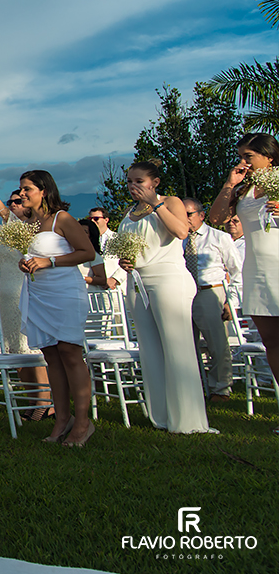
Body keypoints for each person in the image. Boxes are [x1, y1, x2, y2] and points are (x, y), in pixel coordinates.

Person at [117, 159, 213, 434]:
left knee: (177, 348)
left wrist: (155, 204)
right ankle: (162, 415)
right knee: (150, 349)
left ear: (154, 182)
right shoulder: (129, 212)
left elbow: (182, 231)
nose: (133, 186)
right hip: (137, 281)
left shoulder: (170, 202)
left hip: (168, 279)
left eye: (139, 181)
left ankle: (189, 420)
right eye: (130, 182)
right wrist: (126, 261)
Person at [17, 171, 96, 446]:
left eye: (27, 189)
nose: (22, 194)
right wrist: (25, 263)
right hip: (39, 294)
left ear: (44, 191)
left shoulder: (61, 219)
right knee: (51, 356)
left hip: (64, 293)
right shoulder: (27, 223)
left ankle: (83, 423)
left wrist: (49, 262)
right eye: (21, 189)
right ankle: (62, 419)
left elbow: (87, 252)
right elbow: (27, 255)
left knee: (70, 353)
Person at [209, 133, 279, 433]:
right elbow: (216, 217)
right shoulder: (244, 189)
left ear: (269, 157)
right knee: (272, 343)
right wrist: (230, 184)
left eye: (248, 156)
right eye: (241, 156)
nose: (243, 162)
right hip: (257, 270)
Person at [0, 184, 51, 420]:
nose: (13, 205)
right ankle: (31, 399)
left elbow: (10, 220)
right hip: (6, 295)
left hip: (26, 291)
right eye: (11, 202)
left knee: (31, 350)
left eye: (18, 201)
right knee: (15, 350)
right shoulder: (7, 231)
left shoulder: (33, 227)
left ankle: (46, 401)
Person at [181, 198, 241, 403]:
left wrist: (230, 301)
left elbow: (237, 271)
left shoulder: (219, 237)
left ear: (201, 215)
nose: (185, 218)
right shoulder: (176, 238)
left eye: (188, 214)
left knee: (217, 345)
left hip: (209, 292)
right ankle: (194, 387)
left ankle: (220, 389)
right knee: (186, 345)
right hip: (183, 294)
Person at [86, 206, 125, 292]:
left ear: (106, 220)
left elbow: (127, 261)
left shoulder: (117, 238)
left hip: (115, 288)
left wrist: (115, 279)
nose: (92, 221)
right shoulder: (86, 241)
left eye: (96, 218)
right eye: (90, 218)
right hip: (94, 289)